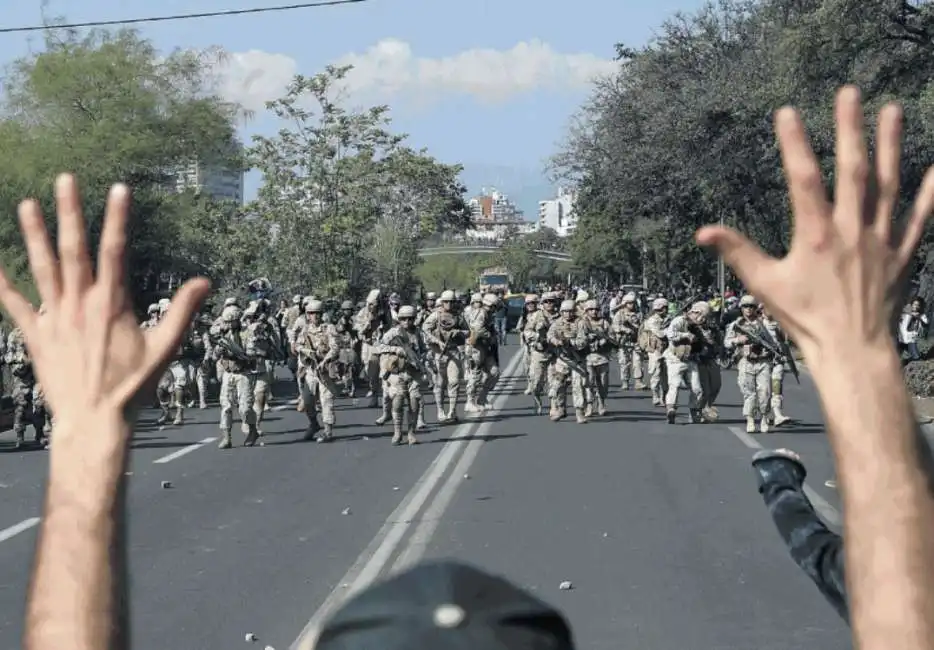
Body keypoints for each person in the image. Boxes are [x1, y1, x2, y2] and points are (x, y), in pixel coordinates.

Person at [698, 86, 934, 648]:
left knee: (767, 394)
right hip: (734, 361)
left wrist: (856, 350)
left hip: (768, 365)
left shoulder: (882, 590)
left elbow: (899, 603)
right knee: (743, 394)